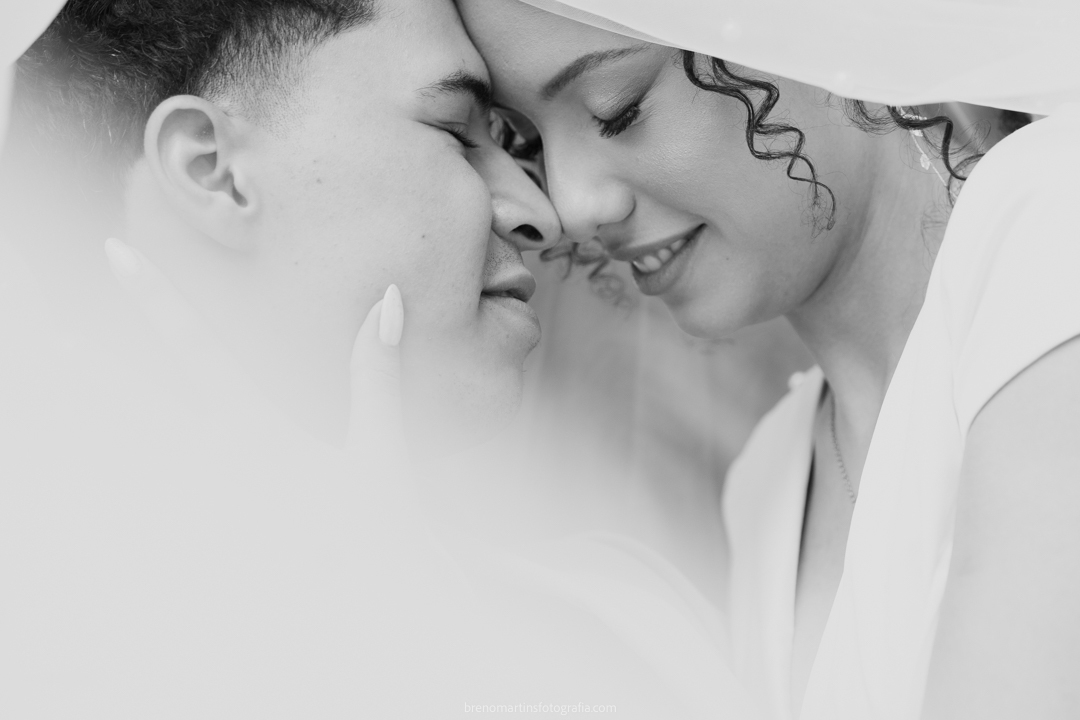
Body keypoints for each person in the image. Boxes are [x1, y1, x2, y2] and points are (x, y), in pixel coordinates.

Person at [455, 1, 1080, 718]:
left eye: (618, 109)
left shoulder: (1055, 219)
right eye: (528, 142)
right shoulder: (768, 484)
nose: (572, 205)